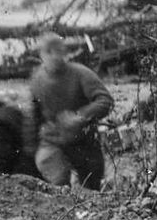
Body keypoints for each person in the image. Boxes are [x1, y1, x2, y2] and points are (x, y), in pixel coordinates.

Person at [29, 33, 114, 190]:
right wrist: (31, 149)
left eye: (58, 51)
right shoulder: (38, 79)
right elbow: (34, 117)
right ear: (41, 55)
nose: (54, 56)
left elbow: (105, 100)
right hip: (53, 142)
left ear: (64, 53)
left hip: (83, 141)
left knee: (92, 187)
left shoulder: (80, 73)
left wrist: (80, 116)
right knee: (58, 186)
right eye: (49, 52)